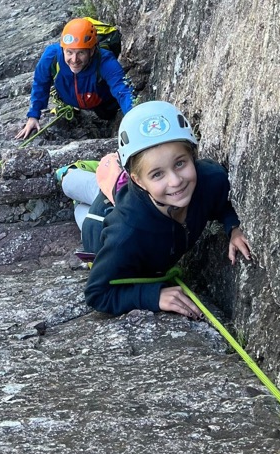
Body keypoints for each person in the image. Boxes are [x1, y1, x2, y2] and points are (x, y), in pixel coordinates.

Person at [84, 100, 252, 319]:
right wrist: (153, 296)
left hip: (129, 200)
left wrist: (233, 227)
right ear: (139, 181)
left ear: (193, 156)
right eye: (157, 174)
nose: (175, 181)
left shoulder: (211, 180)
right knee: (81, 202)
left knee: (104, 192)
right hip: (98, 225)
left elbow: (222, 203)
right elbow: (96, 294)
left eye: (180, 163)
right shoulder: (125, 235)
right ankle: (72, 175)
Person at [17, 17, 134, 140]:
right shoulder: (51, 56)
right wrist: (33, 116)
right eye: (69, 52)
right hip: (69, 99)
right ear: (63, 49)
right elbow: (40, 83)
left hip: (102, 103)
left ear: (92, 51)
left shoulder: (105, 61)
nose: (74, 60)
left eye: (81, 53)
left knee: (107, 114)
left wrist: (134, 118)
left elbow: (123, 90)